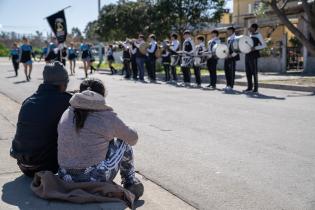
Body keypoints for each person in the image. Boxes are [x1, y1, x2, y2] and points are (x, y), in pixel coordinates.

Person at [57, 78, 144, 200]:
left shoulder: (67, 112)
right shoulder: (106, 116)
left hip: (65, 175)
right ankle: (130, 182)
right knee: (123, 142)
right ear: (102, 95)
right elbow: (133, 139)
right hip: (92, 178)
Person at [10, 61, 71, 177]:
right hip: (47, 166)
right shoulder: (67, 102)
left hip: (23, 165)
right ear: (63, 83)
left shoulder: (28, 101)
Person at [244, 23, 266, 93]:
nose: (249, 29)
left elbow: (264, 45)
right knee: (248, 72)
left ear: (254, 28)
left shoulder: (258, 35)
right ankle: (249, 87)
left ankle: (256, 88)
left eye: (250, 27)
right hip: (247, 55)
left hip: (254, 55)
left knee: (254, 72)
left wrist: (255, 48)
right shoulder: (250, 35)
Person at [224, 26, 240, 91]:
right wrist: (226, 54)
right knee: (226, 70)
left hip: (233, 57)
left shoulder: (236, 38)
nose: (227, 32)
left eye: (228, 31)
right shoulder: (228, 39)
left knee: (231, 71)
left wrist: (232, 55)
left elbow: (238, 49)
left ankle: (231, 85)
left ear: (232, 31)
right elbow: (227, 47)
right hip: (227, 57)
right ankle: (228, 84)